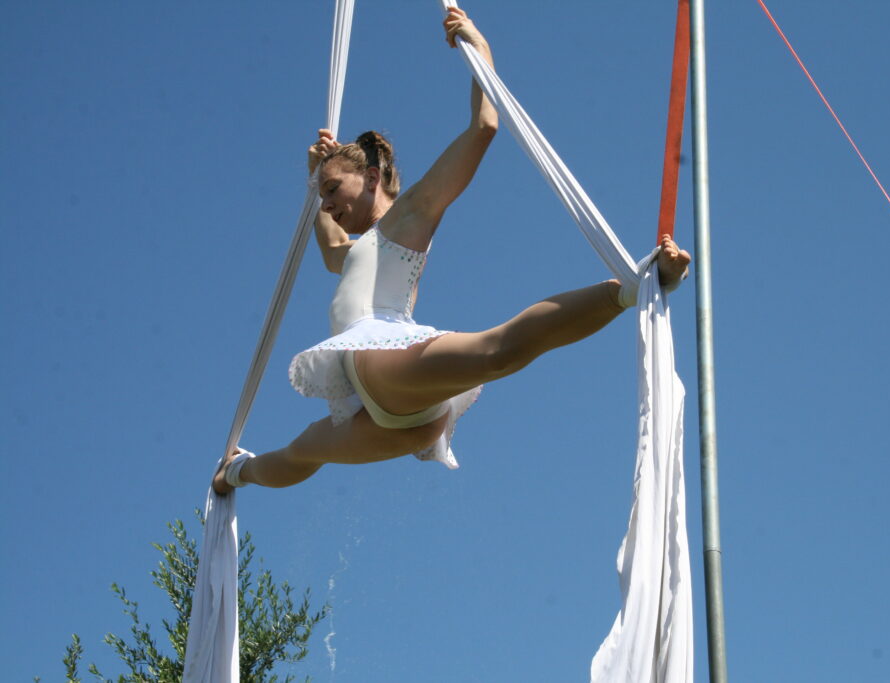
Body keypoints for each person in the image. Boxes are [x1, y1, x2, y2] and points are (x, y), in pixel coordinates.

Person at [213, 7, 690, 494]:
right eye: (323, 196)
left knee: (496, 351)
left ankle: (633, 287)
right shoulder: (358, 250)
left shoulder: (408, 215)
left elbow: (483, 128)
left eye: (334, 190)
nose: (329, 205)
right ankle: (234, 473)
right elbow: (331, 247)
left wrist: (480, 50)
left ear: (373, 178)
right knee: (302, 453)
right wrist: (316, 176)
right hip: (391, 414)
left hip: (388, 365)